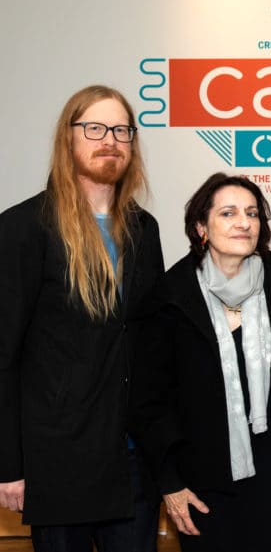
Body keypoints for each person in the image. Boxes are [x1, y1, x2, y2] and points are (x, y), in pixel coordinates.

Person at [0, 85, 164, 551]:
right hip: (57, 462)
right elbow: (3, 355)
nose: (108, 140)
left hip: (132, 461)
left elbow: (151, 342)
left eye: (121, 130)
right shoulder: (22, 228)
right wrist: (8, 466)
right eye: (94, 128)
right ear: (68, 139)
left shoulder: (143, 230)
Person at [129, 173, 271, 552]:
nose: (244, 222)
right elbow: (149, 400)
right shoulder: (171, 294)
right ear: (202, 225)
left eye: (252, 214)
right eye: (229, 213)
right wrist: (169, 481)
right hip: (200, 481)